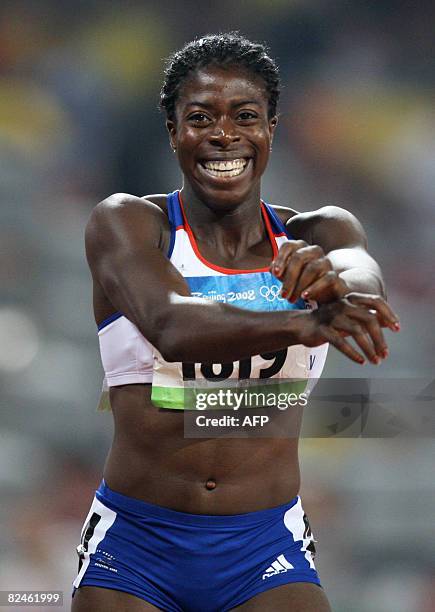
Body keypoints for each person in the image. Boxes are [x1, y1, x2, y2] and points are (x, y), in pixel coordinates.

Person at [71, 33, 399, 612]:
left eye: (246, 116)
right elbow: (172, 326)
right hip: (136, 545)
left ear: (272, 128)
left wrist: (341, 286)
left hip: (264, 544)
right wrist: (306, 323)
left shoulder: (321, 231)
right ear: (173, 132)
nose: (225, 134)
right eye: (200, 117)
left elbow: (361, 280)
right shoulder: (128, 223)